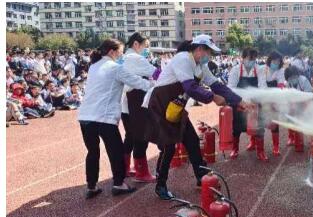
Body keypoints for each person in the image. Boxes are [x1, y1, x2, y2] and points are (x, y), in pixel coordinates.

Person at [142, 34, 249, 200]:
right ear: (199, 49)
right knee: (168, 146)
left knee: (191, 141)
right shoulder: (182, 59)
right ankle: (160, 185)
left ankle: (202, 178)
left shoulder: (200, 65)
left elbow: (216, 85)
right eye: (209, 52)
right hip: (160, 105)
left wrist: (239, 101)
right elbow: (190, 88)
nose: (210, 56)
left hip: (176, 107)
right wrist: (212, 97)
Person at [77, 38, 154, 199]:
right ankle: (119, 184)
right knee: (116, 152)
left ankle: (91, 186)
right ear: (112, 52)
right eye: (120, 51)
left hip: (85, 116)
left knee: (92, 152)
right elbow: (138, 82)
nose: (122, 55)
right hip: (103, 117)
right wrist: (157, 86)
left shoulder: (93, 66)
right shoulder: (115, 68)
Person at [119, 32, 158, 182]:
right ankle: (141, 172)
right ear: (136, 44)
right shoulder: (135, 58)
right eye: (145, 46)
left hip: (125, 105)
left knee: (130, 136)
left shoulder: (123, 58)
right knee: (142, 136)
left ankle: (125, 168)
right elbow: (156, 73)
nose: (147, 49)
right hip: (135, 102)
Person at [227, 48, 269, 162]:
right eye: (250, 58)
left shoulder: (259, 69)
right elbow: (231, 88)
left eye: (254, 58)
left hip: (255, 103)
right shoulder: (236, 70)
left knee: (259, 127)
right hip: (239, 102)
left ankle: (260, 151)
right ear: (243, 58)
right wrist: (242, 101)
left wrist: (259, 99)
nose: (252, 61)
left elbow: (262, 86)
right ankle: (235, 149)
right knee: (236, 126)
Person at [258, 51, 286, 157]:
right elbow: (262, 85)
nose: (276, 63)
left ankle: (276, 147)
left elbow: (281, 83)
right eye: (274, 61)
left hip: (274, 99)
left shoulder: (280, 70)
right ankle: (260, 150)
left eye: (278, 61)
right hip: (263, 98)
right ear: (270, 60)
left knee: (275, 124)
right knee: (260, 124)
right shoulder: (262, 69)